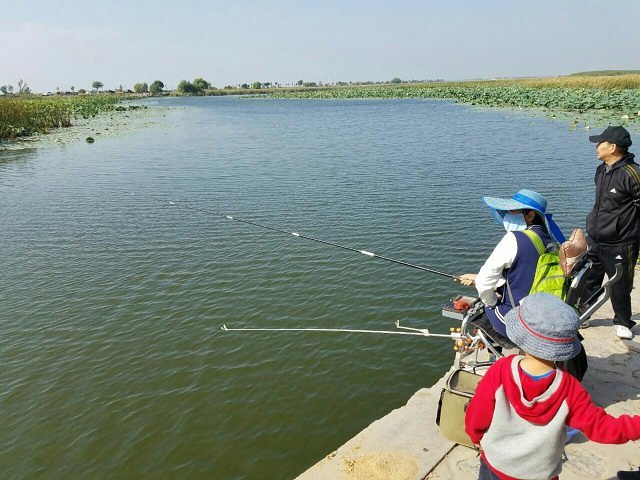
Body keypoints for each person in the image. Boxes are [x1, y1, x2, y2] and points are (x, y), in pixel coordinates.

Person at [465, 293, 640, 480]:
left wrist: (475, 436)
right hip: (540, 474)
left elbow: (477, 414)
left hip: (495, 466)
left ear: (521, 335)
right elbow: (602, 428)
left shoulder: (500, 370)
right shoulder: (569, 388)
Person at [458, 189, 565, 343]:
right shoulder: (550, 239)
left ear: (530, 215)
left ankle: (498, 352)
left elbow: (483, 283)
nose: (508, 214)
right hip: (545, 315)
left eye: (512, 210)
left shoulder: (514, 239)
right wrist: (480, 278)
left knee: (486, 304)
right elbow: (527, 275)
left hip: (522, 321)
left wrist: (493, 300)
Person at [582, 126, 640, 340]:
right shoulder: (601, 170)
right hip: (596, 238)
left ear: (613, 147)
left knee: (620, 283)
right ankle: (584, 312)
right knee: (589, 278)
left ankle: (623, 322)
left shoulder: (633, 173)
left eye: (600, 143)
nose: (597, 147)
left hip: (622, 242)